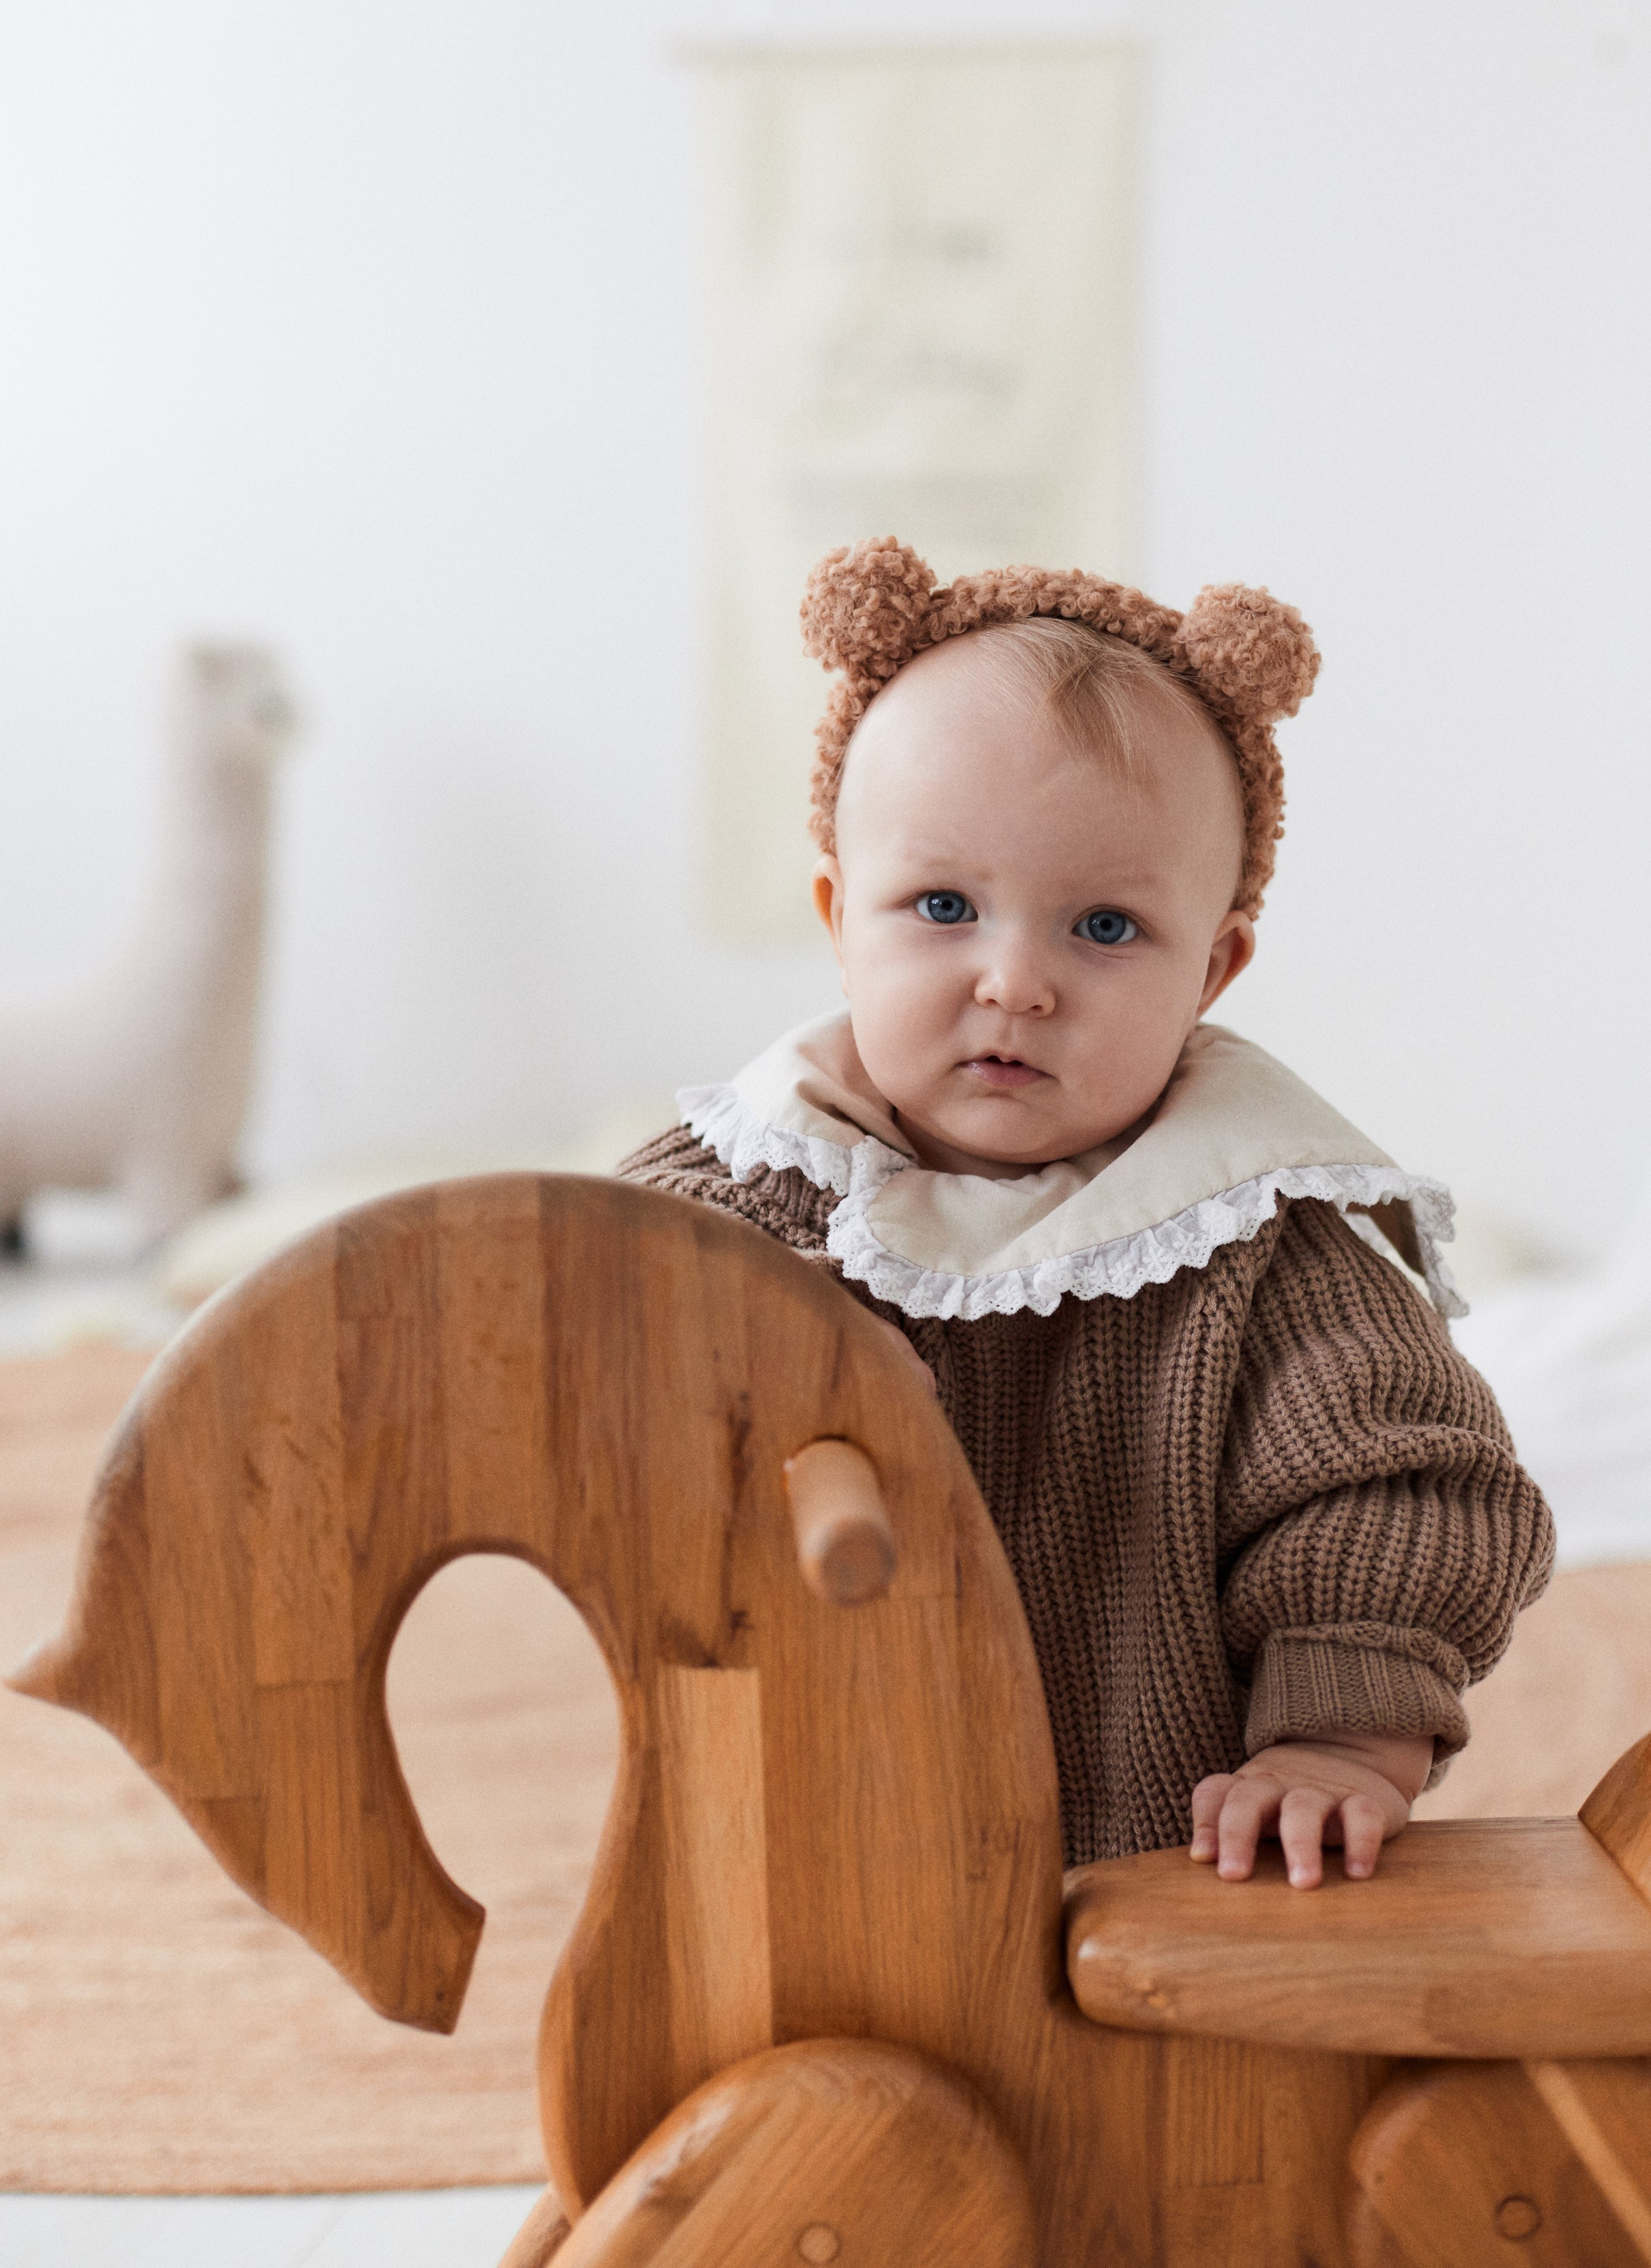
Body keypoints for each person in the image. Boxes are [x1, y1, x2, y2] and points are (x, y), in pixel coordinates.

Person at [622, 537, 1552, 1888]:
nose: (1013, 982)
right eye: (941, 907)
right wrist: (744, 1341)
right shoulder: (728, 1194)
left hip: (1167, 1857)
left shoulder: (1256, 1243)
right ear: (838, 916)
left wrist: (1340, 1745)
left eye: (1102, 929)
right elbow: (574, 1320)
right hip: (795, 1846)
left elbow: (1402, 1486)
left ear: (1212, 966)